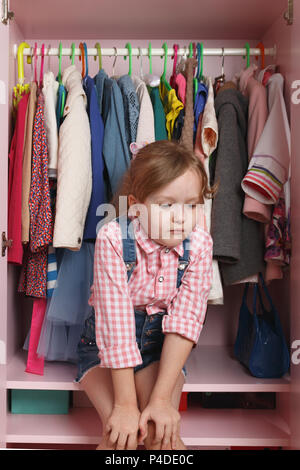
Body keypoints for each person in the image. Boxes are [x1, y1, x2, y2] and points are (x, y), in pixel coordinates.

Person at [75, 140, 215, 450]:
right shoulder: (113, 238)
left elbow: (185, 321)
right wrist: (125, 405)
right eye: (167, 205)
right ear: (137, 206)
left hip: (161, 350)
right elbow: (116, 324)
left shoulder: (200, 243)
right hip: (105, 348)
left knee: (159, 433)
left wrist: (162, 399)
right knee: (120, 435)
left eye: (192, 205)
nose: (181, 217)